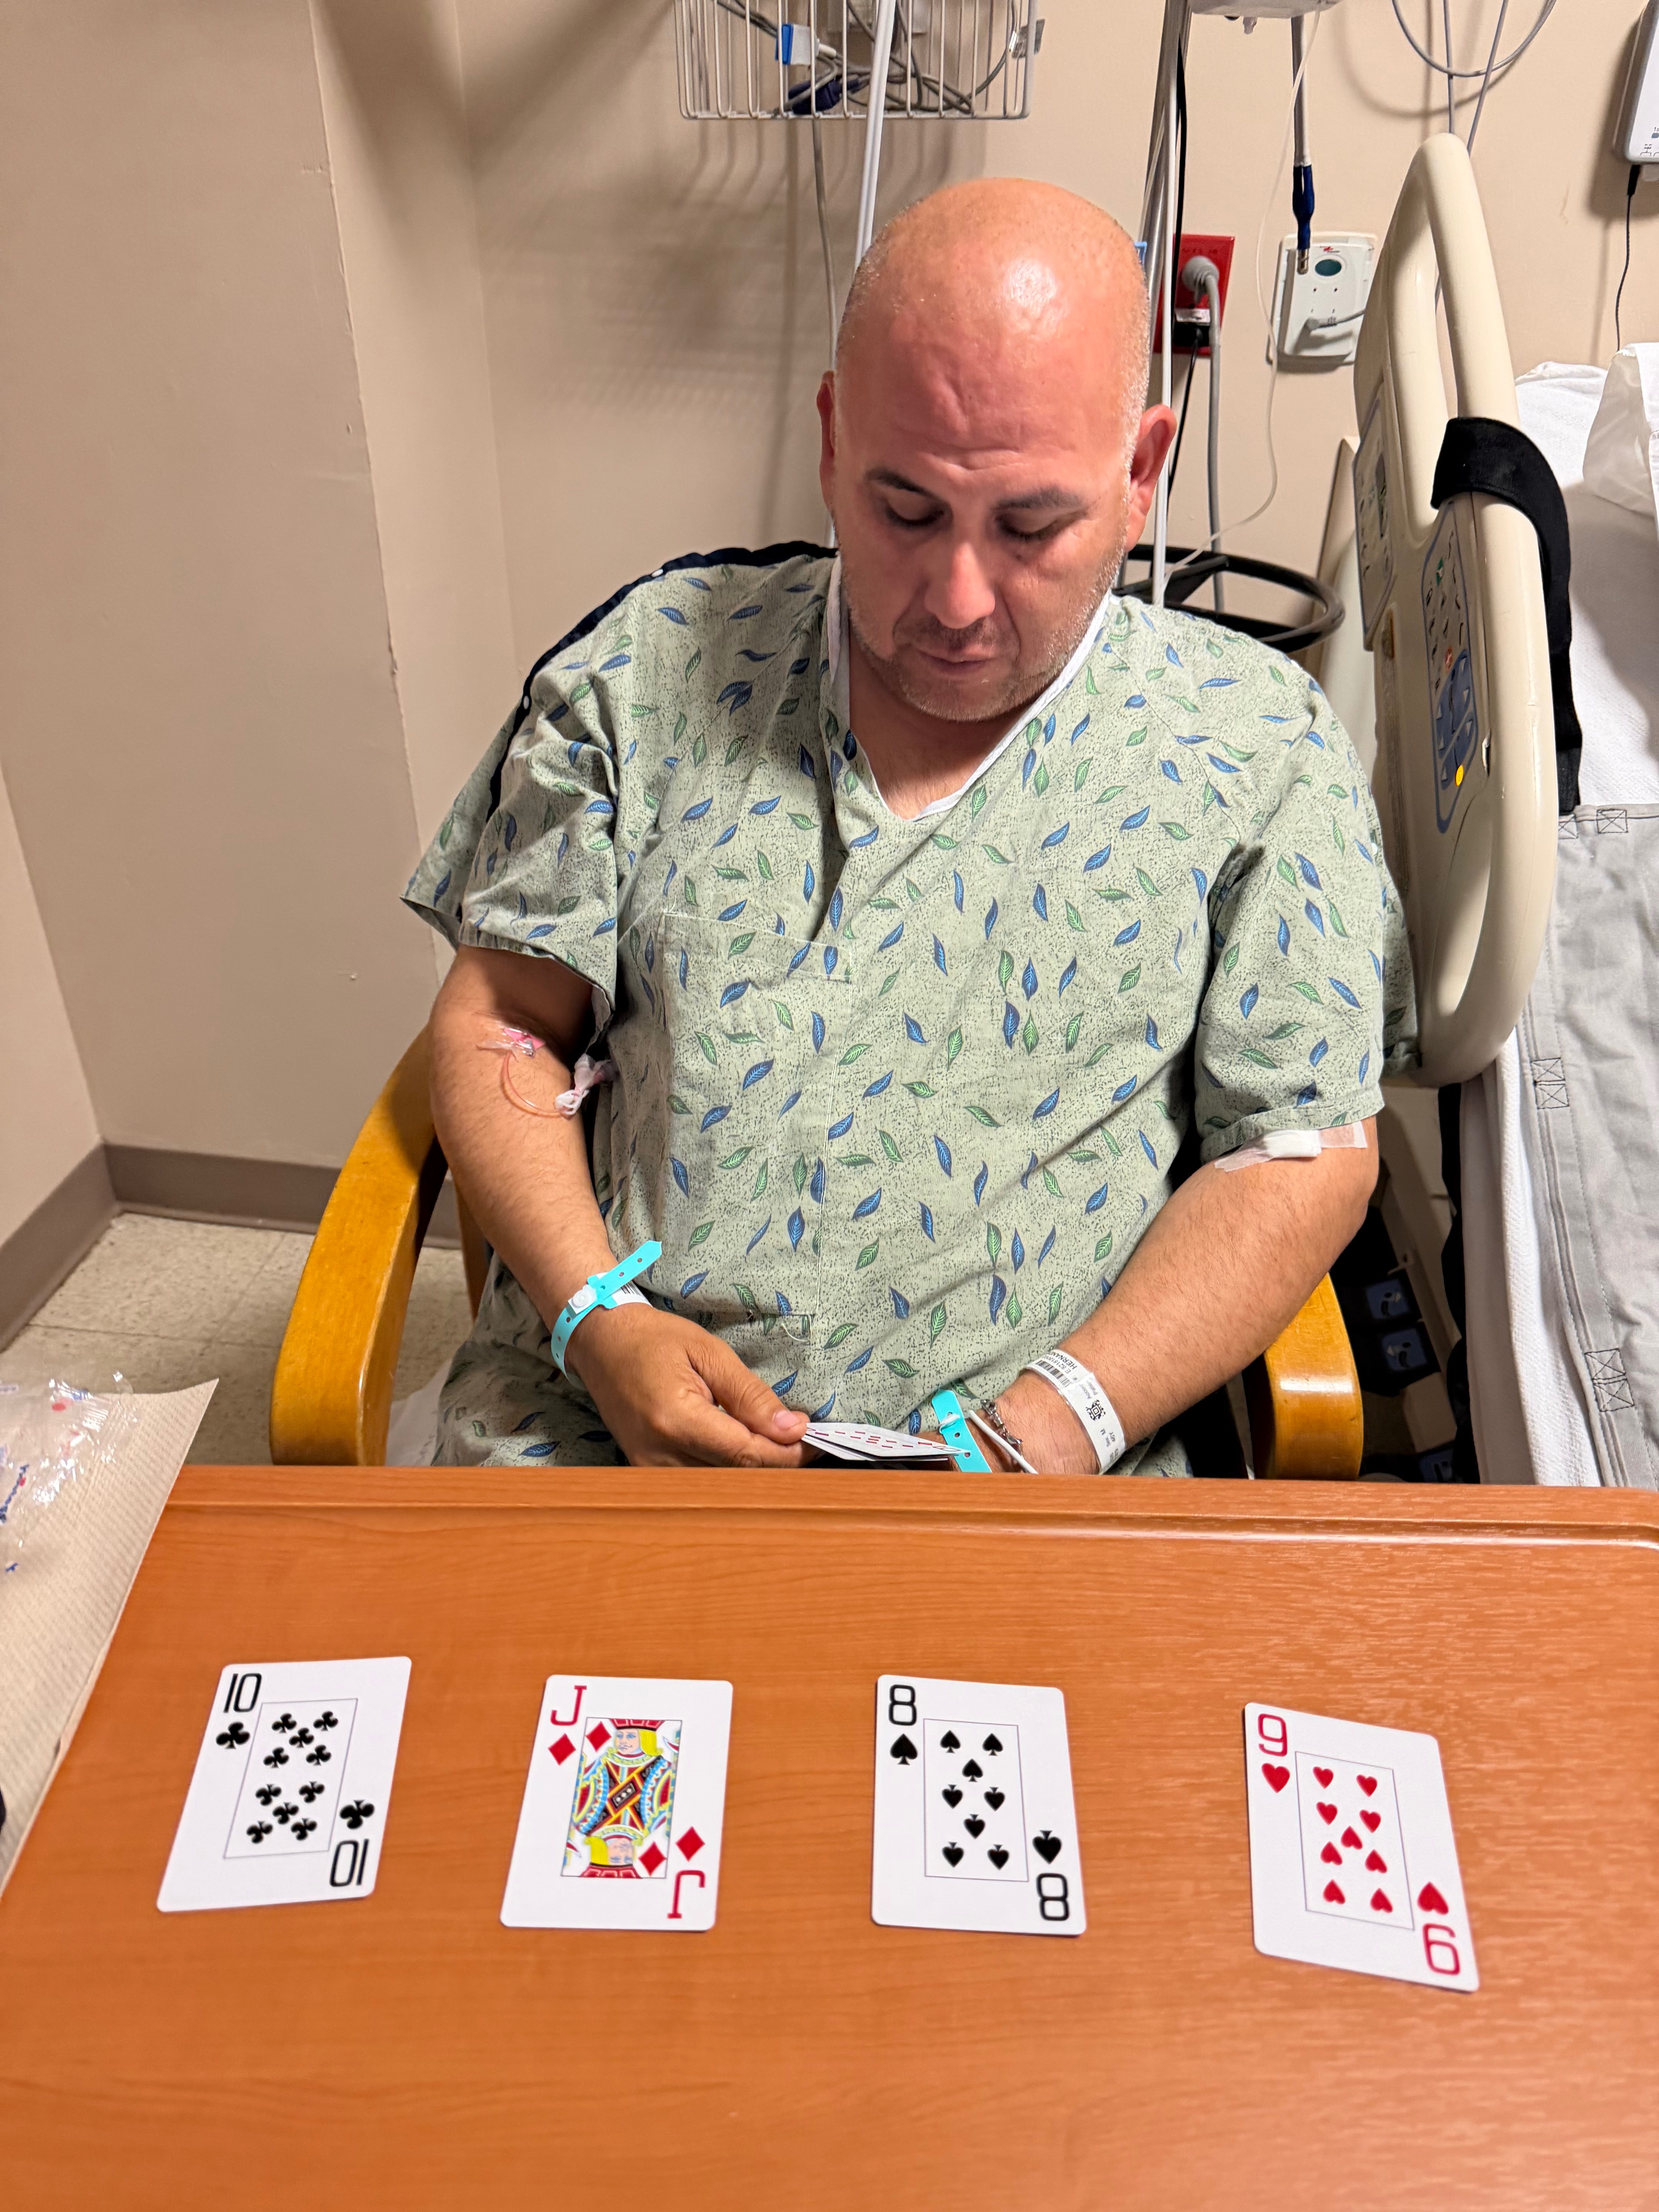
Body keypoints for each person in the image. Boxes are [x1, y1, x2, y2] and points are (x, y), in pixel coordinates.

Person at [405, 177, 1413, 1474]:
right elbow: (501, 1019)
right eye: (904, 511)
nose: (957, 600)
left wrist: (1055, 1425)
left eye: (1031, 526)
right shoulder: (644, 674)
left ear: (1139, 473)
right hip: (596, 1426)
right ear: (832, 443)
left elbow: (1300, 1148)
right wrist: (596, 1323)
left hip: (1034, 1480)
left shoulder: (1254, 743)